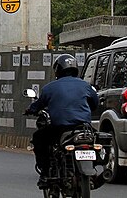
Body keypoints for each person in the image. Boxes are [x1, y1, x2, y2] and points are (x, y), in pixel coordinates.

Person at [26, 54, 98, 187]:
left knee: (39, 138)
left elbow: (37, 105)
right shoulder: (85, 86)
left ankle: (45, 173)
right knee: (98, 139)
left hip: (60, 128)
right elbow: (95, 103)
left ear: (58, 69)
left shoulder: (49, 88)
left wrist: (30, 110)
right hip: (83, 128)